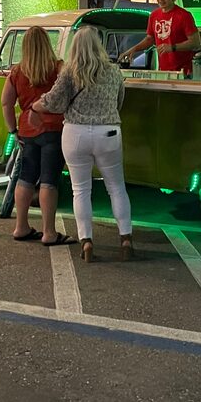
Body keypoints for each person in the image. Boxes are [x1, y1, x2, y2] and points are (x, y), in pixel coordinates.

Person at [30, 26, 132, 263]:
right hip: (108, 133)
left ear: (75, 46)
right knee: (116, 188)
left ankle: (86, 242)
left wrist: (35, 107)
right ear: (98, 46)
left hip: (75, 134)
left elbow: (54, 101)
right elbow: (119, 101)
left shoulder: (69, 72)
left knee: (81, 190)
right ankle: (126, 239)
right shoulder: (114, 71)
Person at [0, 26, 71, 246]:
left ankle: (21, 226)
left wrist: (13, 130)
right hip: (53, 131)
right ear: (47, 44)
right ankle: (49, 232)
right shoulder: (58, 67)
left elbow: (6, 102)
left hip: (26, 133)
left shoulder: (17, 71)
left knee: (26, 178)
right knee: (49, 181)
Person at [120, 0, 200, 76]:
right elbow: (150, 39)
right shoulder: (154, 15)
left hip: (184, 73)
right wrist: (134, 49)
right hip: (163, 71)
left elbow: (196, 42)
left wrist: (173, 47)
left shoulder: (184, 16)